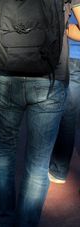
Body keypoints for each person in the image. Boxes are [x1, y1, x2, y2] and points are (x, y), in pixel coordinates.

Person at [0, 0, 80, 225]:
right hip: (50, 78)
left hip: (5, 76)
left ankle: (1, 221)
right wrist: (59, 28)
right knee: (38, 163)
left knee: (2, 152)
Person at [48, 14, 80, 185]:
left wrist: (62, 28)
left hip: (73, 55)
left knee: (68, 116)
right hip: (72, 56)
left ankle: (59, 169)